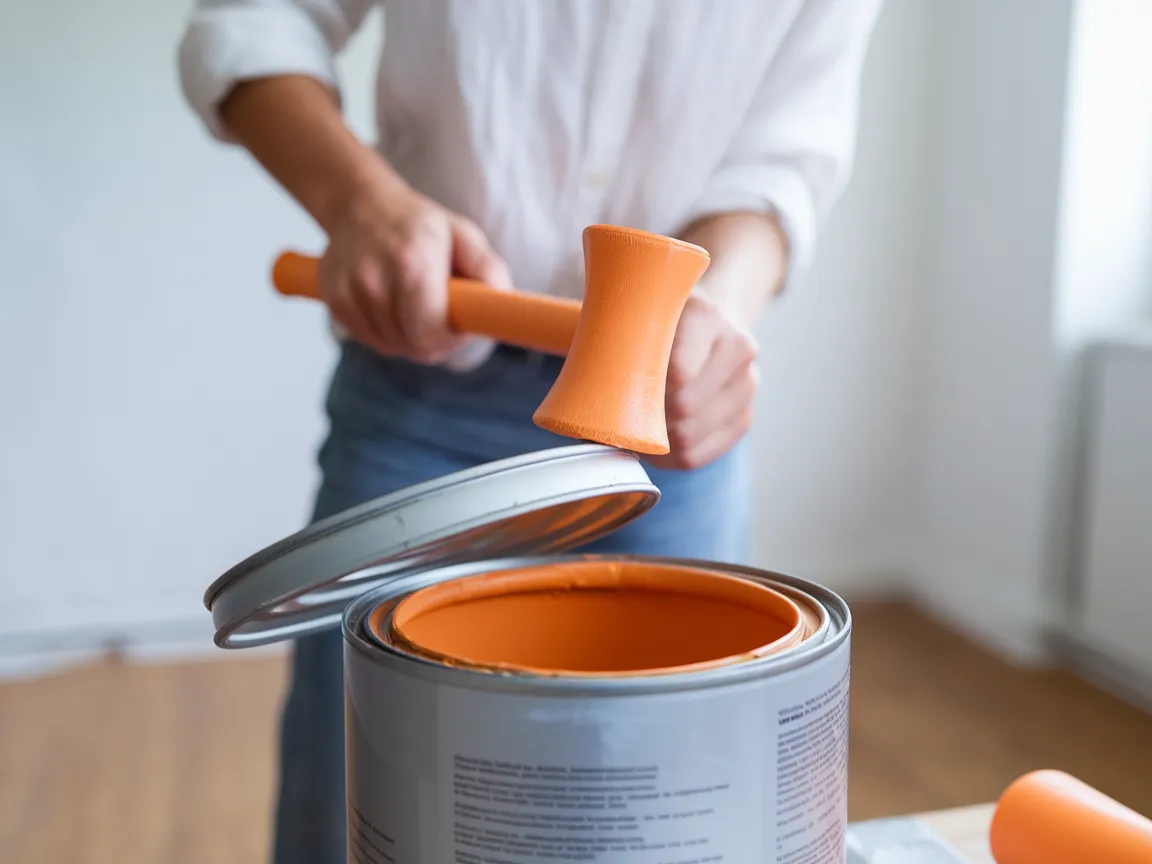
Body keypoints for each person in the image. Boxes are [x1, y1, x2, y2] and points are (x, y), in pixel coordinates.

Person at [177, 2, 881, 862]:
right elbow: (255, 19)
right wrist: (363, 202)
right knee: (357, 799)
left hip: (662, 422)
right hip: (418, 394)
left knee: (684, 801)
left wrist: (717, 315)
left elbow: (781, 163)